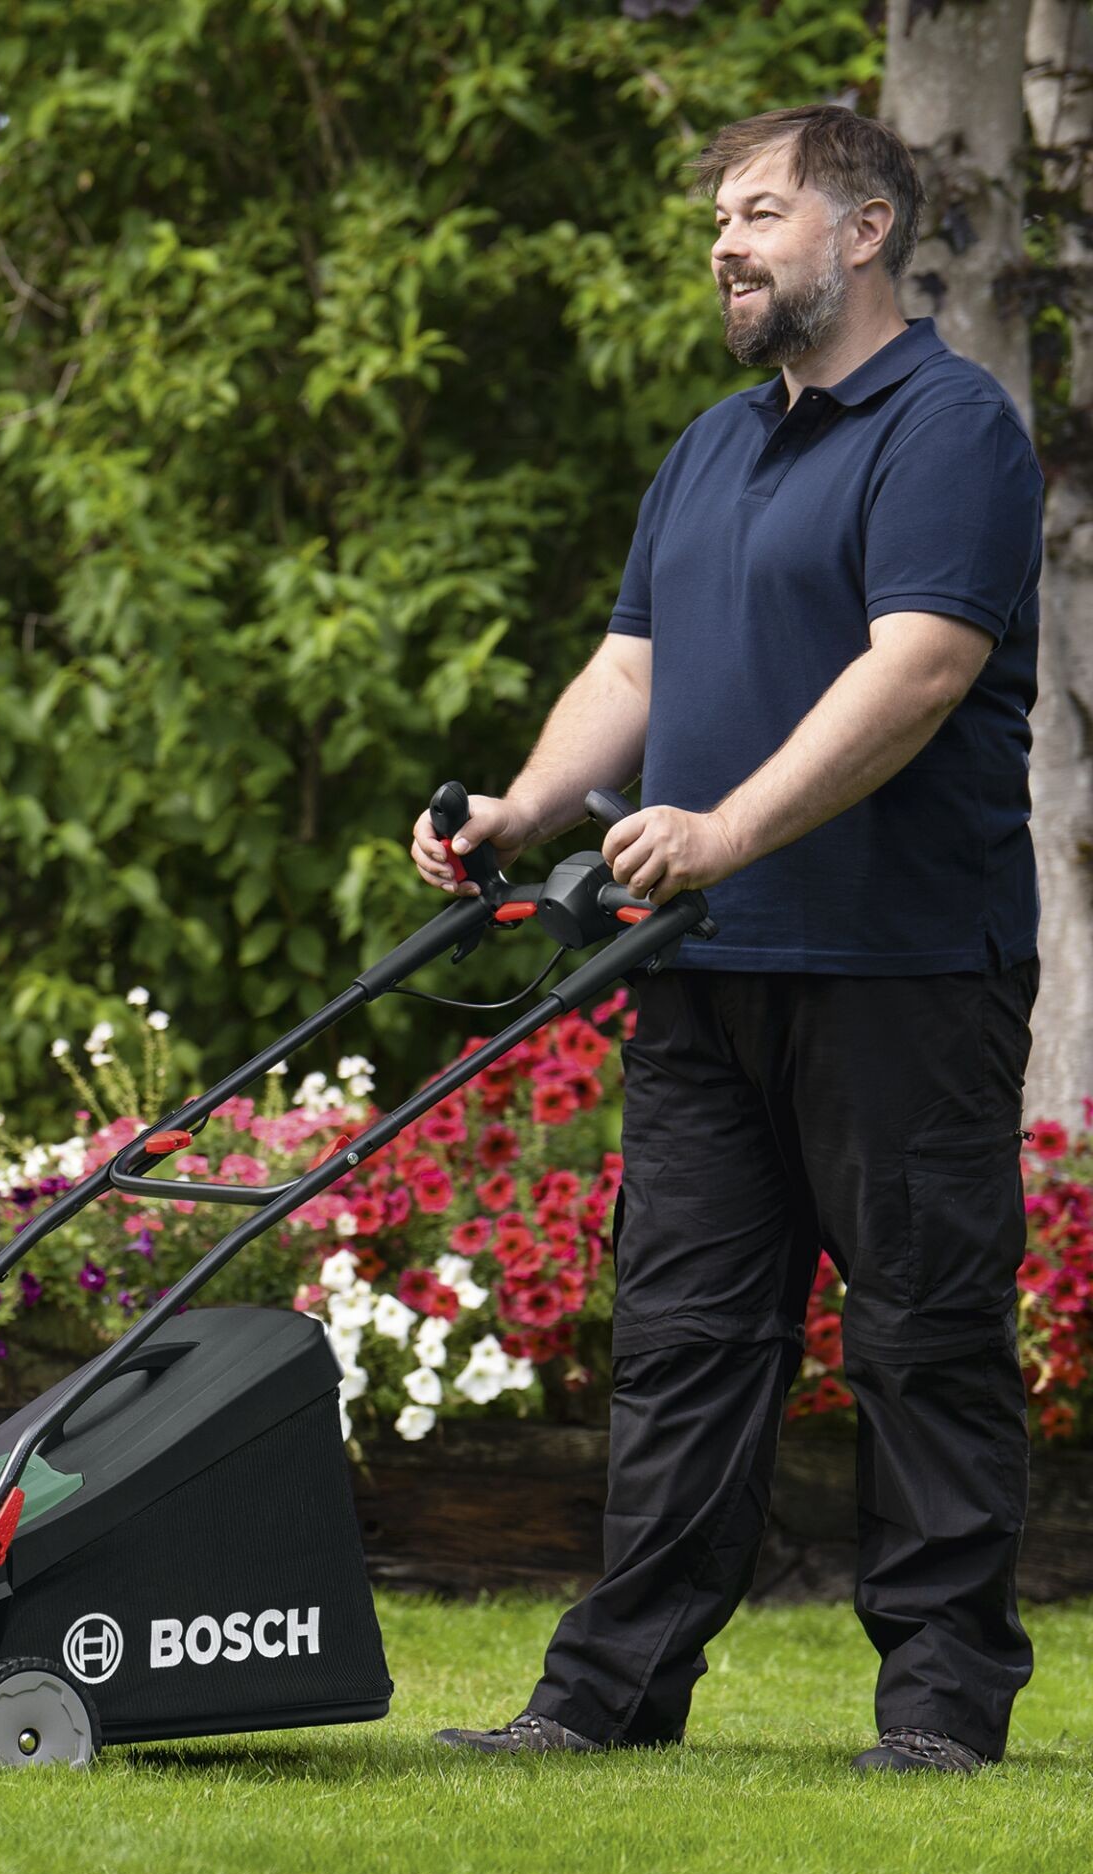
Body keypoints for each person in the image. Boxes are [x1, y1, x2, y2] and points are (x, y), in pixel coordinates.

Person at [415, 104, 1046, 1775]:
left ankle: (940, 1710)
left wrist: (726, 831)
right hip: (702, 971)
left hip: (906, 970)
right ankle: (605, 1696)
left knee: (923, 1340)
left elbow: (918, 668)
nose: (723, 244)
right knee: (685, 1341)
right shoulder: (712, 446)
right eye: (718, 219)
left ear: (866, 228)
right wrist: (523, 809)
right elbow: (633, 667)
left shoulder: (951, 431)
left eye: (760, 212)